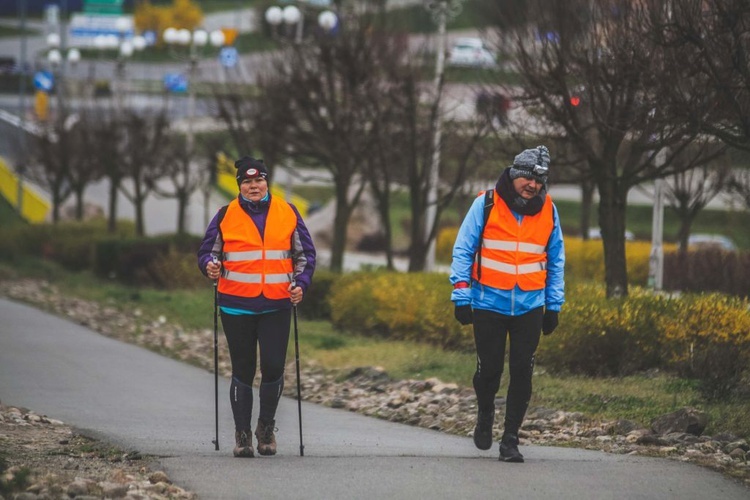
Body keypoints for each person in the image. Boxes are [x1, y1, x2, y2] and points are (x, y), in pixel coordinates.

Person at [449, 145, 565, 463]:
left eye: (540, 182)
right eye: (529, 178)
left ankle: (510, 439)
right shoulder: (486, 203)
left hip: (530, 305)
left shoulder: (548, 210)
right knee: (489, 372)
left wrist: (553, 304)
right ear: (516, 174)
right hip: (488, 302)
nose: (534, 186)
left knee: (522, 373)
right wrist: (461, 295)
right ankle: (485, 412)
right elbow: (463, 249)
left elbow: (556, 259)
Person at [197, 156, 316, 458]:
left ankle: (265, 428)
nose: (254, 186)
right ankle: (242, 436)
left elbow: (305, 255)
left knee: (274, 367)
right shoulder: (226, 215)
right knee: (243, 369)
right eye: (247, 182)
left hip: (277, 305)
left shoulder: (288, 212)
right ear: (240, 185)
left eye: (258, 180)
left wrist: (301, 283)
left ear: (266, 182)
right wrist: (210, 266)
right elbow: (208, 253)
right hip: (236, 306)